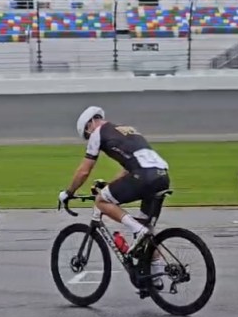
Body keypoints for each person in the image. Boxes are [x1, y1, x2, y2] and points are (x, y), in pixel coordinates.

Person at [58, 106, 170, 286]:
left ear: (90, 124)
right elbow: (128, 168)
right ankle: (155, 280)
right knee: (147, 231)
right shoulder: (127, 130)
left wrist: (68, 192)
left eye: (86, 134)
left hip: (144, 176)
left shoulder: (97, 133)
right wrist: (109, 185)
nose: (89, 138)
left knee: (101, 200)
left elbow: (84, 171)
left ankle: (138, 230)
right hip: (162, 176)